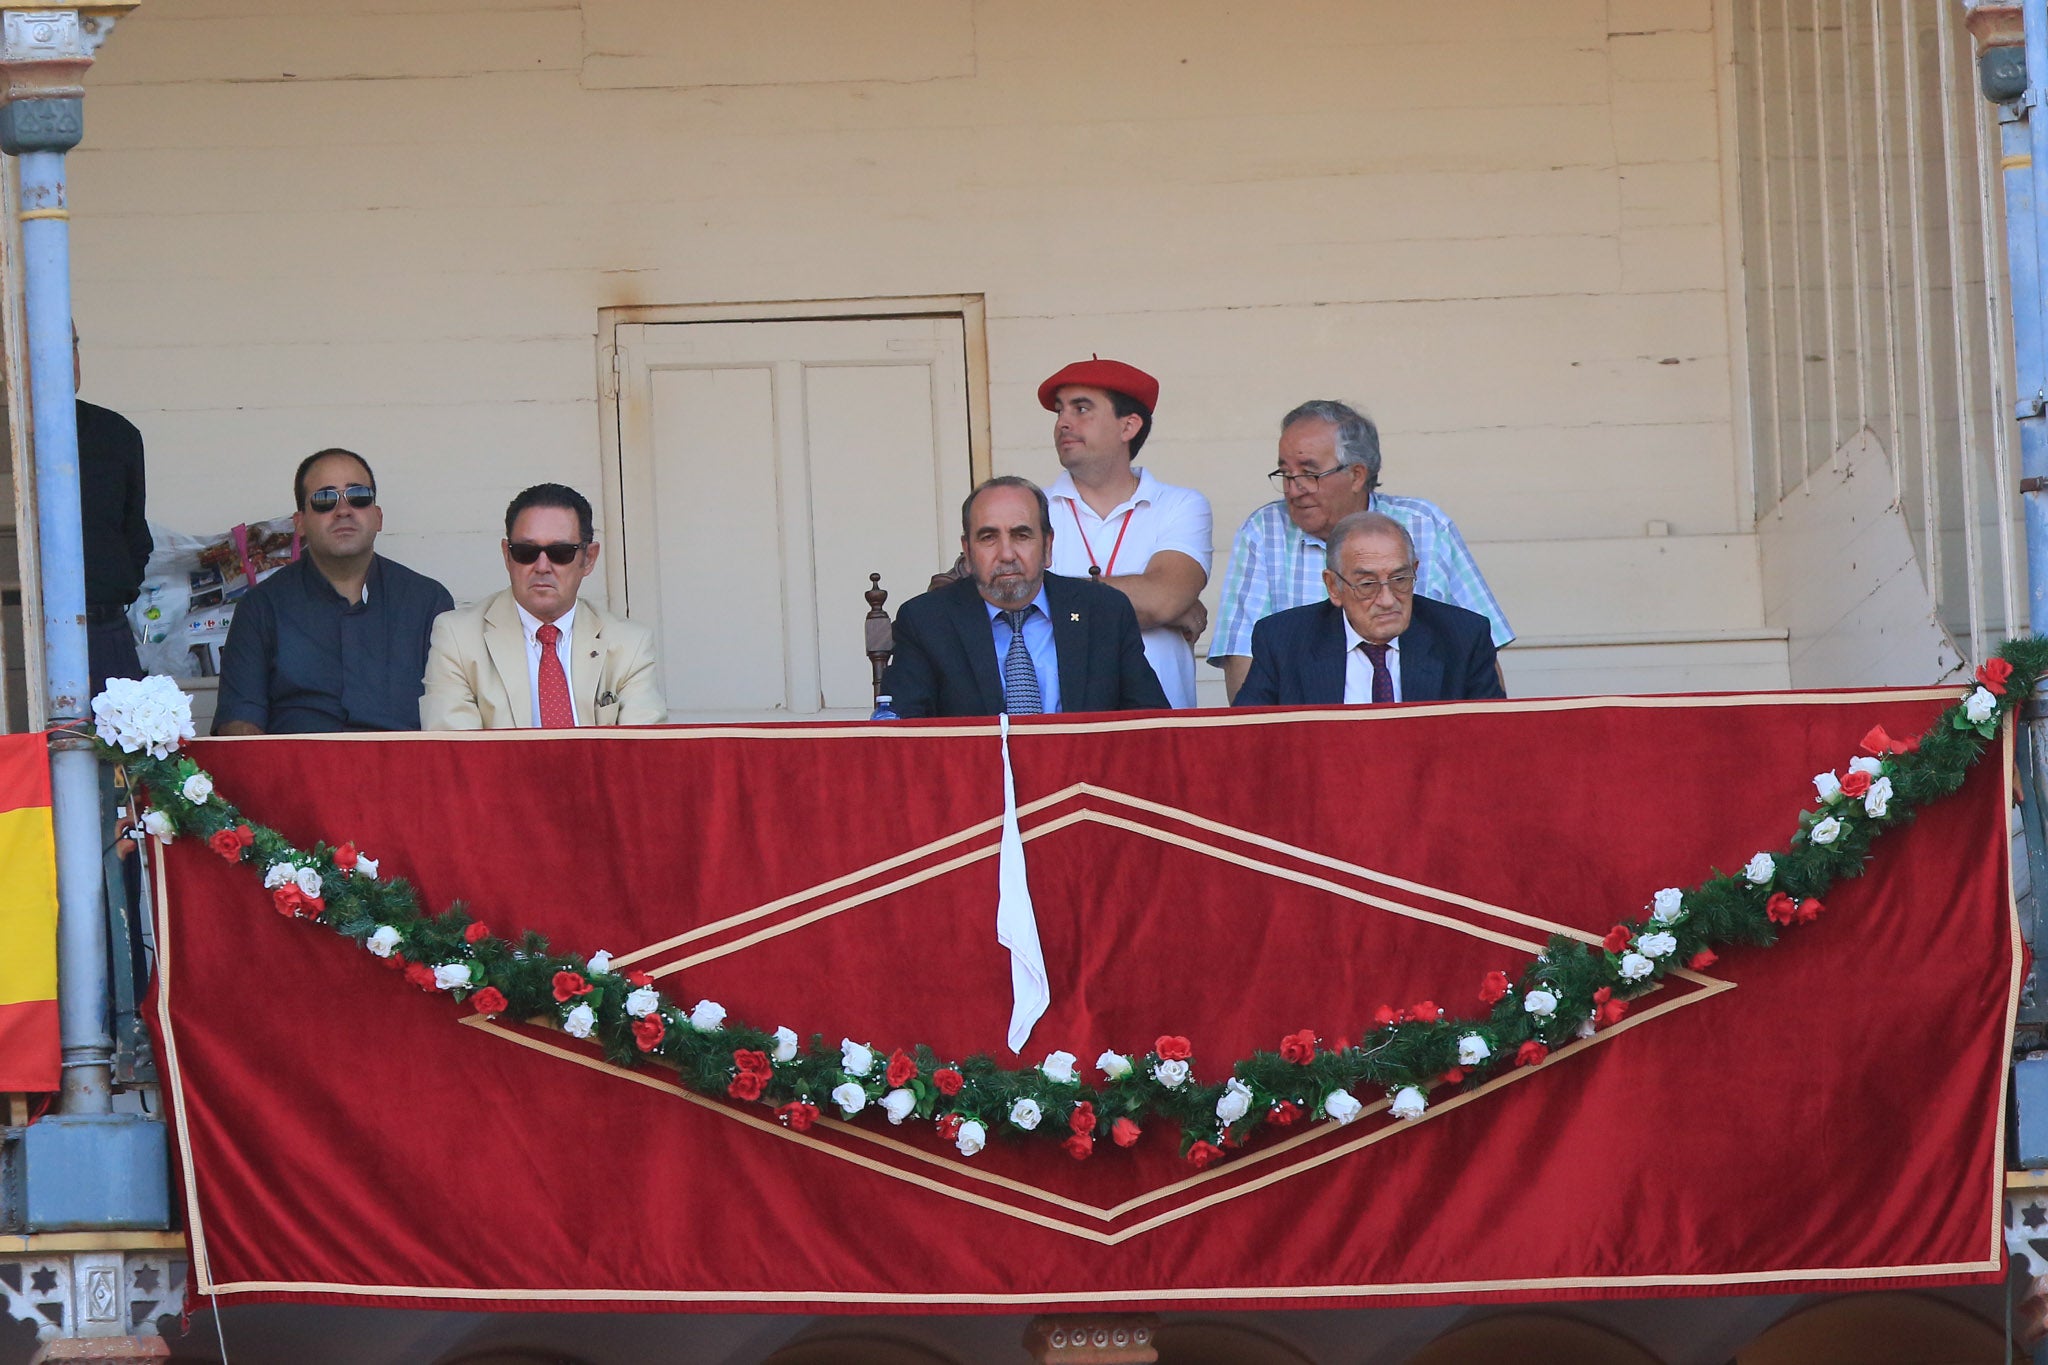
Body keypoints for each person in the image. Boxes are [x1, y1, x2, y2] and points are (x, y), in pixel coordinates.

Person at [1209, 400, 1510, 701]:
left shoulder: (1426, 526)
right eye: (1285, 473)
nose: (1293, 488)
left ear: (1356, 475)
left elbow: (1479, 650)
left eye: (1309, 473)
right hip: (1310, 732)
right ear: (1332, 585)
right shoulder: (1264, 530)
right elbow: (1242, 658)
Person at [880, 476, 1168, 718]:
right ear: (967, 552)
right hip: (977, 783)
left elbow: (1149, 726)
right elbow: (903, 738)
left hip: (1082, 781)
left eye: (1021, 535)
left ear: (1047, 547)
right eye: (988, 537)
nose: (1006, 554)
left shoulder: (1104, 613)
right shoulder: (926, 622)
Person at [214, 448, 452, 734]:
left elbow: (450, 720)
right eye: (324, 499)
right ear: (299, 523)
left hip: (403, 772)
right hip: (297, 773)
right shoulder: (261, 606)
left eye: (359, 497)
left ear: (378, 517)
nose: (343, 510)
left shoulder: (427, 601)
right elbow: (240, 721)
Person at [1037, 357, 1212, 708]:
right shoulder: (1033, 509)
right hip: (1058, 729)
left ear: (1128, 426)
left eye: (1081, 408)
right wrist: (1158, 606)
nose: (1063, 423)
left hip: (1157, 729)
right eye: (1059, 411)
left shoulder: (1180, 505)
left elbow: (1163, 597)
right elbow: (1013, 603)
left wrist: (1052, 599)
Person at [420, 482, 666, 729]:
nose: (542, 566)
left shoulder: (630, 645)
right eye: (526, 551)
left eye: (560, 552)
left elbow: (642, 755)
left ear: (589, 559)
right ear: (507, 555)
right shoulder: (458, 638)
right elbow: (456, 755)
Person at [1234, 511, 1504, 707]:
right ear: (1333, 586)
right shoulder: (1282, 640)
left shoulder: (1463, 637)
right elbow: (1248, 741)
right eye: (1367, 584)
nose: (1387, 599)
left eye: (1400, 579)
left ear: (1415, 571)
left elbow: (1490, 743)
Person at [75, 326, 152, 694]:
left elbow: (135, 536)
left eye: (72, 345)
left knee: (125, 751)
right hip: (16, 630)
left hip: (104, 632)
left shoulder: (115, 434)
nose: (68, 359)